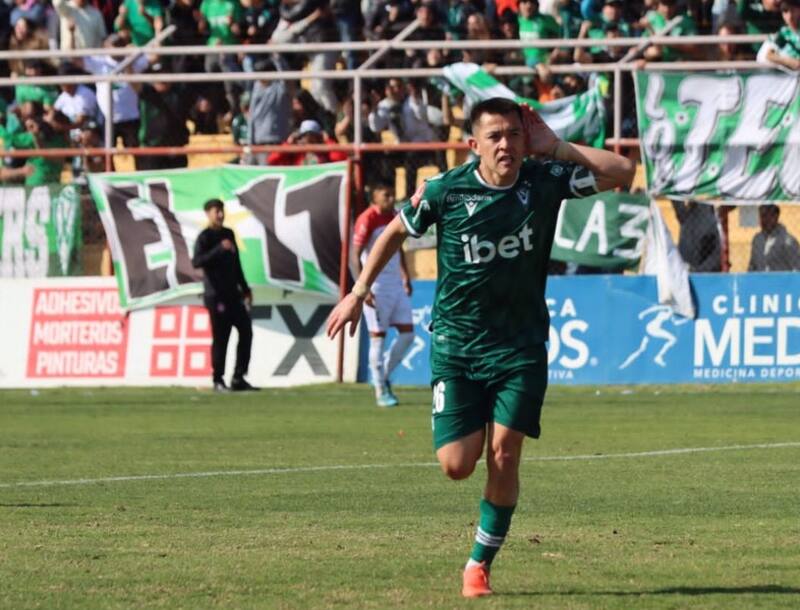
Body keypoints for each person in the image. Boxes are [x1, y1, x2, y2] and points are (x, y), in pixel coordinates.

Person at [327, 97, 634, 597]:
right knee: (456, 464)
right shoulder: (447, 190)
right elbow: (394, 232)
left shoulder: (543, 180)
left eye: (514, 134)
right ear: (474, 145)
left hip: (521, 346)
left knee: (504, 454)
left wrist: (554, 145)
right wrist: (358, 293)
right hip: (457, 346)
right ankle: (476, 532)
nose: (506, 144)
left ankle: (478, 564)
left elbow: (622, 171)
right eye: (494, 136)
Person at [352, 182, 414, 407]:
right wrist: (362, 287)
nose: (390, 198)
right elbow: (355, 253)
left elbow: (399, 247)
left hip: (396, 286)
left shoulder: (396, 216)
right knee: (378, 339)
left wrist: (405, 276)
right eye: (385, 194)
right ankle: (380, 391)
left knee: (408, 336)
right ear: (374, 197)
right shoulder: (367, 219)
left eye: (392, 194)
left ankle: (383, 375)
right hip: (376, 288)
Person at [192, 199, 258, 392]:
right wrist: (219, 249)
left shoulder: (229, 234)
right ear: (208, 214)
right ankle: (217, 379)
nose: (220, 214)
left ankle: (239, 378)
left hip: (233, 295)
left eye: (222, 211)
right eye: (216, 211)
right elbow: (197, 261)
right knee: (221, 337)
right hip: (216, 296)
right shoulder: (204, 237)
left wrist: (245, 288)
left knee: (246, 331)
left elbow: (236, 265)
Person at [748, 204, 800, 271]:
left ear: (776, 217)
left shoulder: (788, 241)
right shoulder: (757, 239)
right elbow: (752, 266)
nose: (766, 220)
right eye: (763, 216)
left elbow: (796, 268)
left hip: (781, 280)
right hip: (760, 280)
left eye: (770, 216)